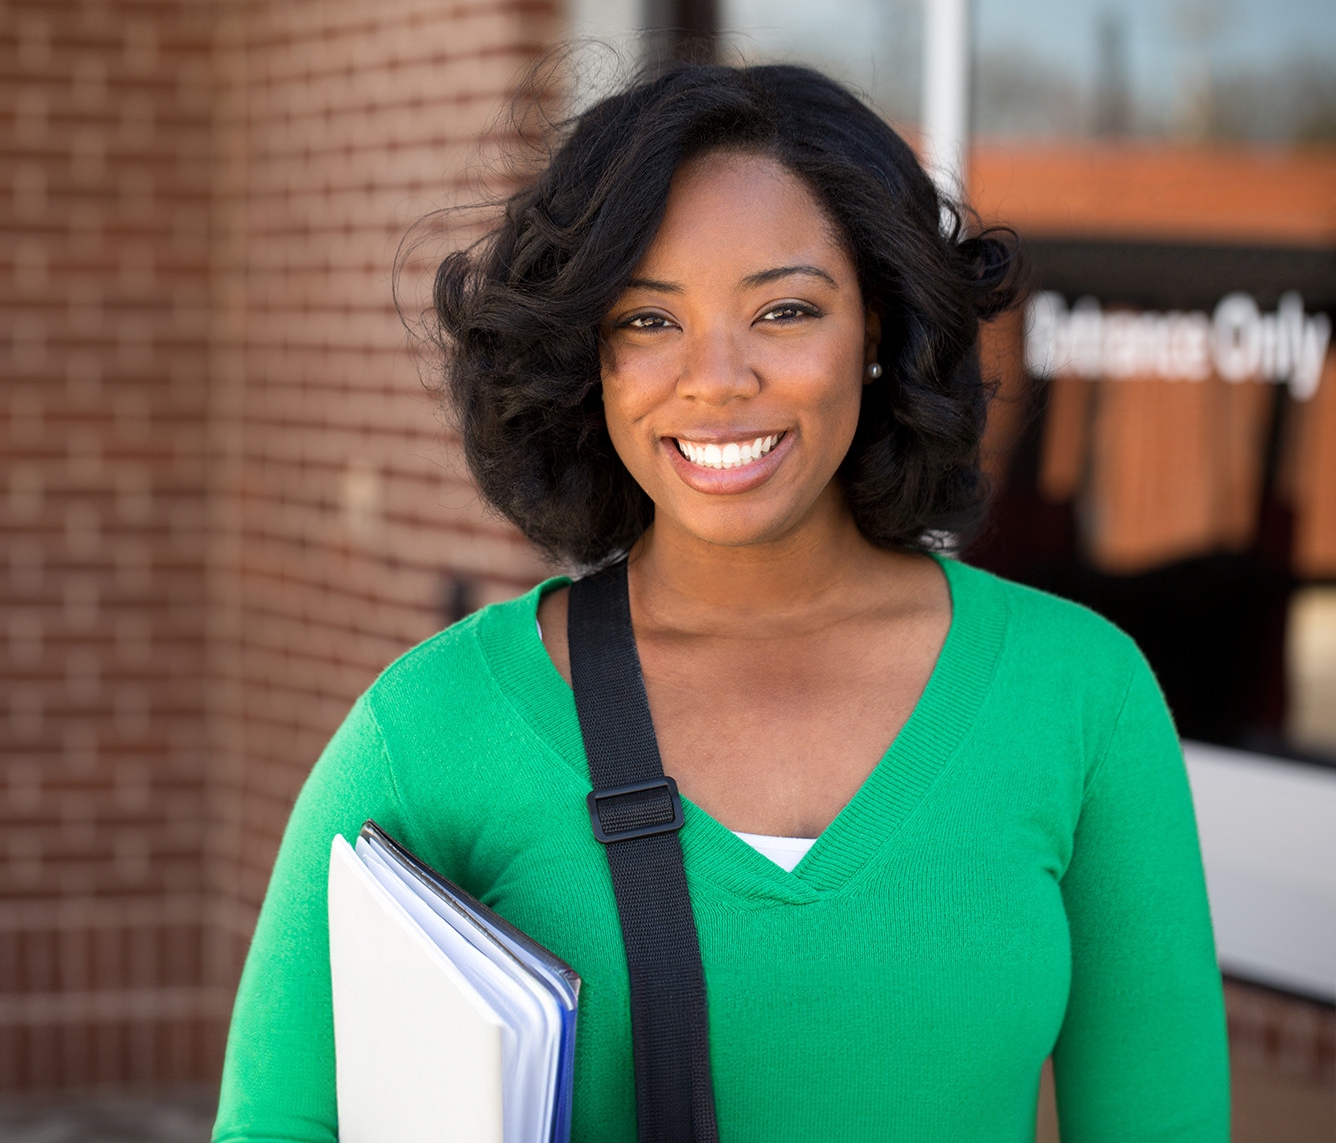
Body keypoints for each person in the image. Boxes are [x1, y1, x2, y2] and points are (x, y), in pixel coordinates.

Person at [211, 63, 1229, 1141]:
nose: (716, 378)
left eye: (785, 309)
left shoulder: (1078, 694)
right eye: (648, 321)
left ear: (877, 328)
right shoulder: (433, 729)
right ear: (588, 355)